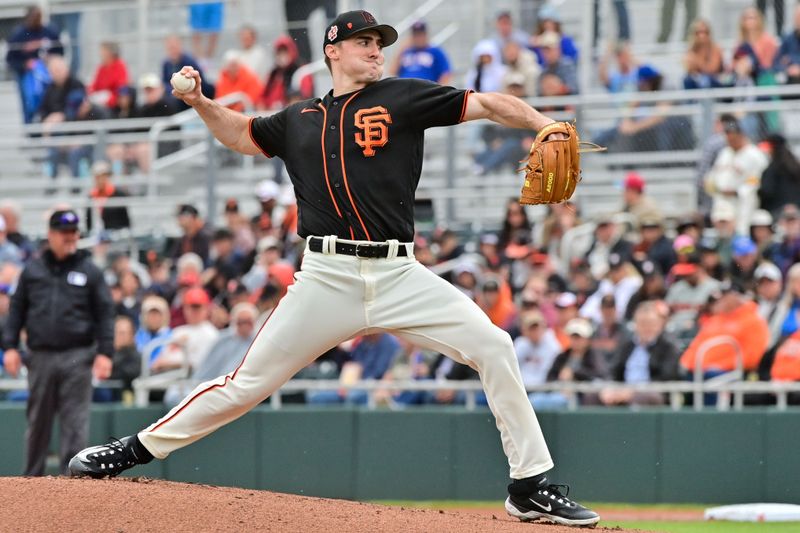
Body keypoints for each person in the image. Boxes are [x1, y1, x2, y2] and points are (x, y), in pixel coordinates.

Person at [68, 10, 600, 527]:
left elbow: (487, 103)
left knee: (494, 346)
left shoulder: (403, 96)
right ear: (333, 50)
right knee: (245, 384)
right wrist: (201, 101)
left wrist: (543, 123)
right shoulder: (298, 119)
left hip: (399, 274)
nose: (375, 49)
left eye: (379, 42)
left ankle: (530, 486)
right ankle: (131, 449)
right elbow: (239, 134)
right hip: (326, 276)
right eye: (364, 41)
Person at [2, 209, 114, 475]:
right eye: (64, 233)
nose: (70, 238)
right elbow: (17, 310)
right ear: (51, 235)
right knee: (38, 421)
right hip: (40, 355)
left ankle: (73, 484)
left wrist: (105, 353)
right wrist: (9, 347)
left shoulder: (89, 271)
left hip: (78, 355)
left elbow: (105, 314)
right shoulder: (32, 270)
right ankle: (31, 480)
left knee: (75, 422)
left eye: (74, 233)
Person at [704, 114, 769, 236]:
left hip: (744, 201)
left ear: (741, 135)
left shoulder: (754, 155)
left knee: (742, 230)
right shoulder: (725, 153)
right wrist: (712, 186)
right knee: (722, 233)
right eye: (727, 138)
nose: (730, 141)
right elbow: (713, 175)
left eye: (732, 138)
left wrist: (737, 191)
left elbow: (758, 180)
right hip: (723, 200)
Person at [5, 5, 63, 123]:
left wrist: (49, 60)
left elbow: (60, 51)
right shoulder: (19, 35)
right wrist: (25, 64)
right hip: (26, 75)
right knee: (29, 104)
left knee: (50, 102)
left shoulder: (49, 32)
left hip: (47, 74)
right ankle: (31, 130)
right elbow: (10, 59)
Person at [86, 160, 130, 232]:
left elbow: (125, 220)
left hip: (115, 235)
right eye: (97, 177)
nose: (100, 180)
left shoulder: (118, 194)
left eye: (103, 176)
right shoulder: (91, 196)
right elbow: (88, 222)